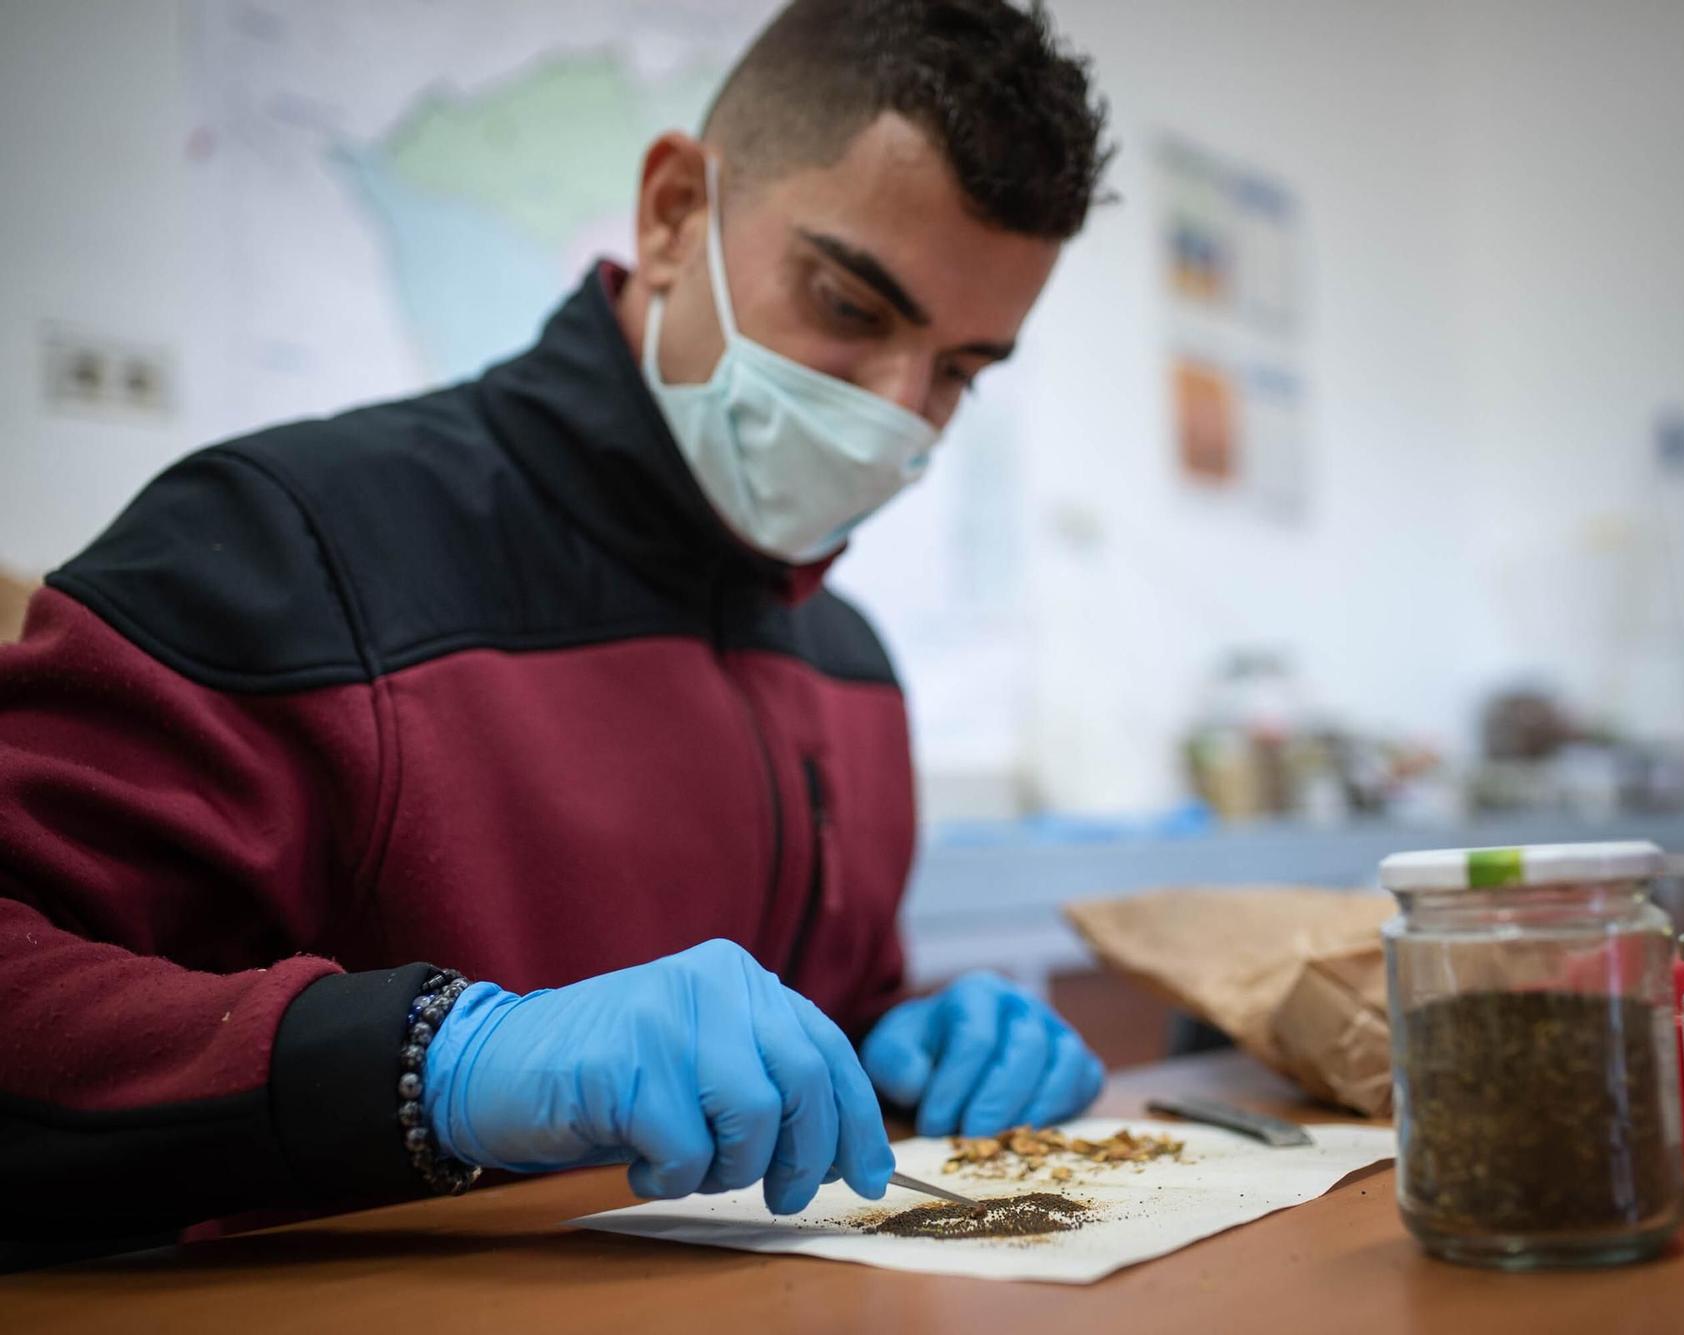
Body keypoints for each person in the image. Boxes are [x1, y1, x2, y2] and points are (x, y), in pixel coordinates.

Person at [0, 0, 1114, 1249]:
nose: (897, 414)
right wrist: (440, 1066)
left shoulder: (851, 669)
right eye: (848, 307)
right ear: (672, 214)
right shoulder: (288, 546)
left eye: (959, 369)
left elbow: (758, 1061)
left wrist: (889, 1045)